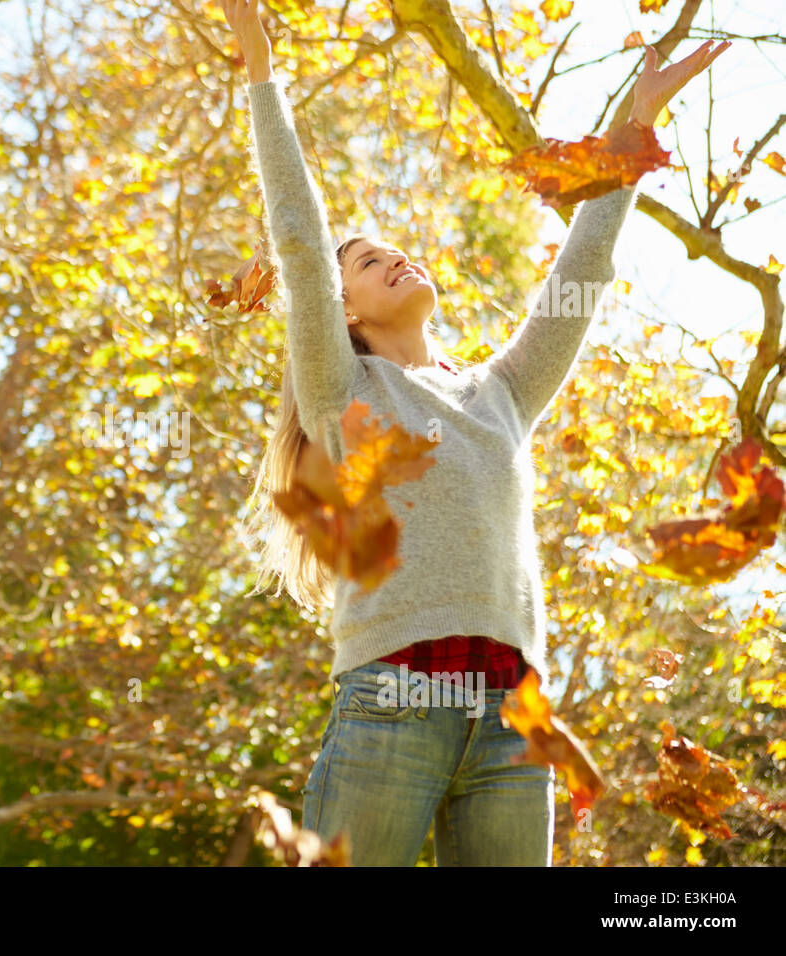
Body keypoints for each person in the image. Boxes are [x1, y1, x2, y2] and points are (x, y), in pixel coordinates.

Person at [224, 0, 728, 865]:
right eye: (367, 260)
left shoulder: (502, 392)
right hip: (391, 702)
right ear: (341, 309)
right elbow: (302, 248)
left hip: (513, 726)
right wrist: (262, 71)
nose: (393, 257)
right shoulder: (341, 390)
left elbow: (582, 271)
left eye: (397, 249)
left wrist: (634, 128)